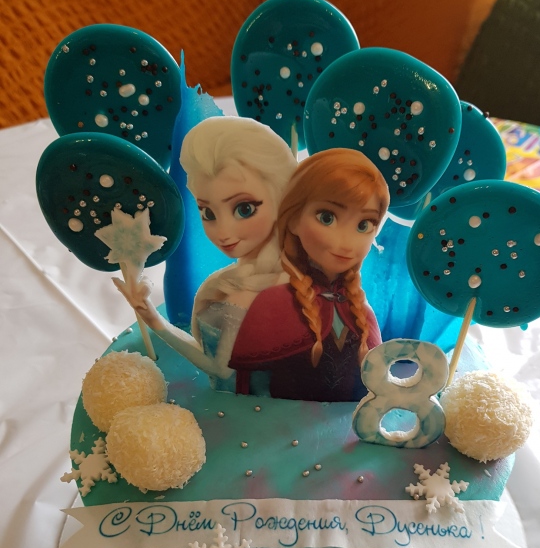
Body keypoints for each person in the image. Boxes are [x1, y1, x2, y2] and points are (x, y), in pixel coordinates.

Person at [114, 115, 297, 391]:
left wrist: (156, 321)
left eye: (244, 209)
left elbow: (220, 371)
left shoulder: (298, 286)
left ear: (282, 196)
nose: (223, 232)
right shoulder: (225, 288)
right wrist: (151, 317)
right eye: (208, 212)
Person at [229, 148, 390, 402]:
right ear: (293, 219)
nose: (346, 242)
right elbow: (253, 390)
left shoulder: (362, 312)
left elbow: (375, 389)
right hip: (281, 425)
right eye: (327, 217)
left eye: (363, 225)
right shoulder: (272, 304)